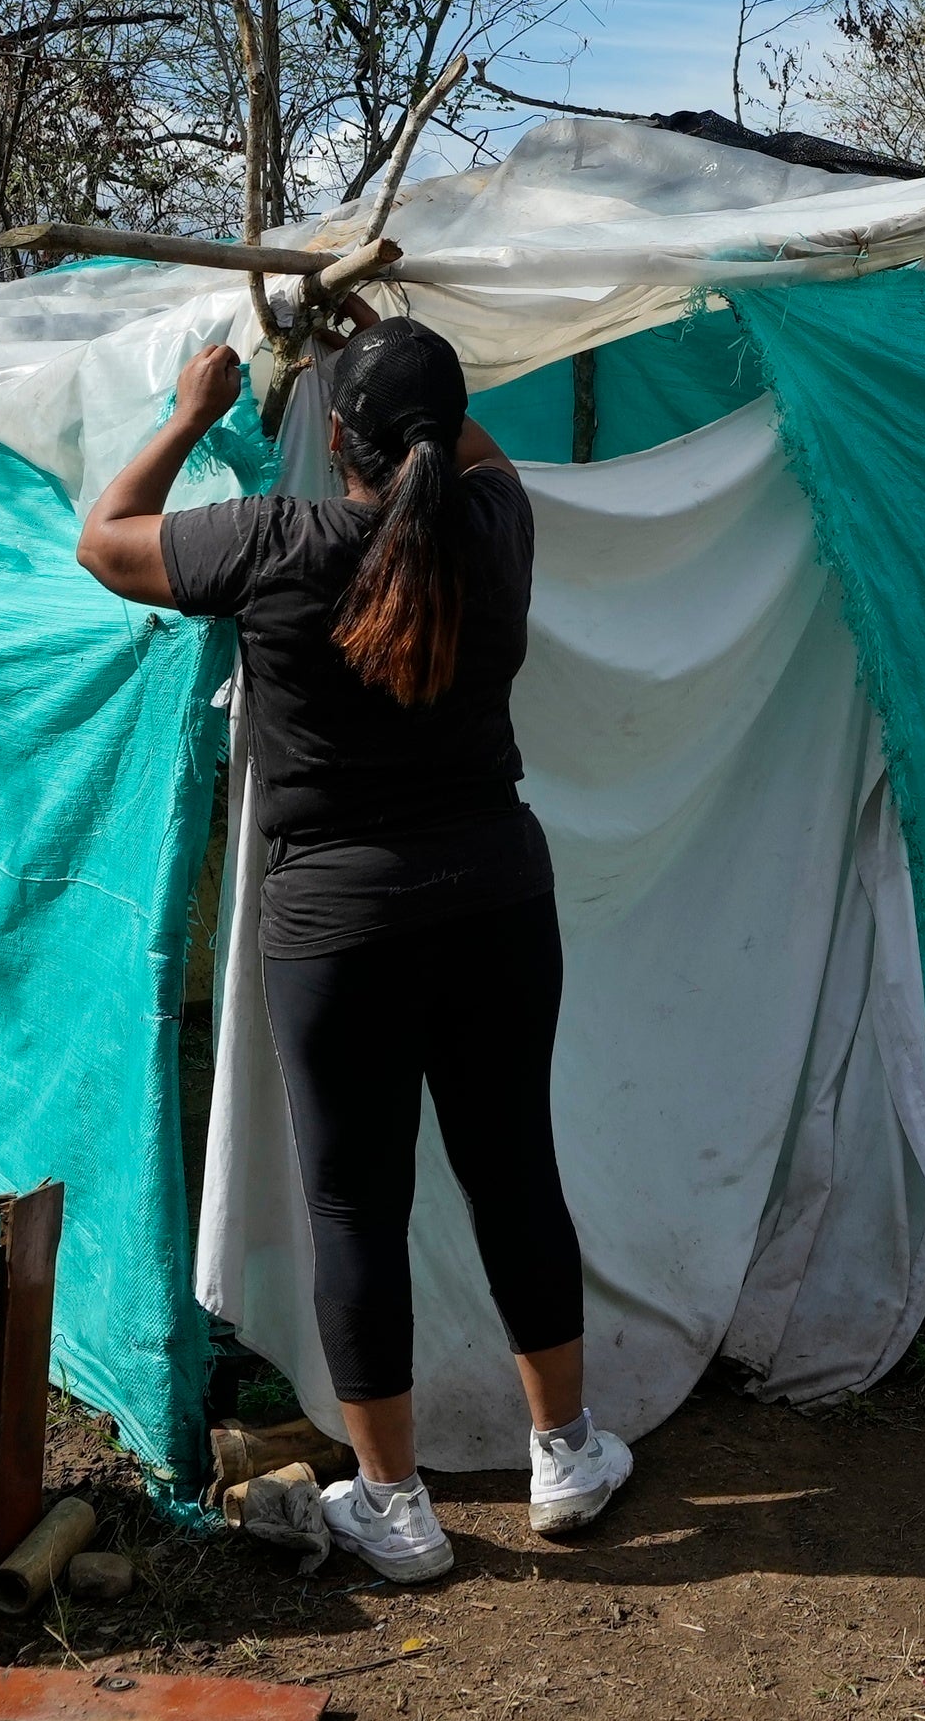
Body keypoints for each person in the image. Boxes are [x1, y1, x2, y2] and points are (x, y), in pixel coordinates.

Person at [76, 316, 629, 1580]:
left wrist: (187, 408)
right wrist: (394, 373)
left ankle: (395, 1503)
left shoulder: (279, 542)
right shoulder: (497, 529)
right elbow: (473, 457)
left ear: (334, 440)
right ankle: (567, 1454)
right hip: (495, 896)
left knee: (356, 1211)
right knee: (515, 1174)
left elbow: (103, 541)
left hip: (339, 927)